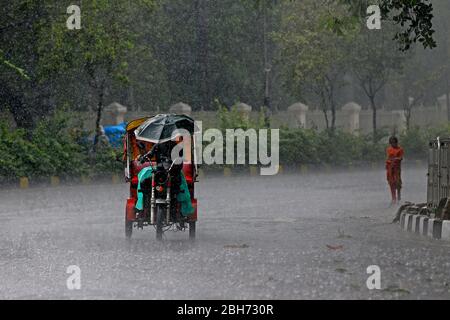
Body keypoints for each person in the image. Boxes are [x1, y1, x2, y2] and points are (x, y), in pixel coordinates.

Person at [386, 136, 404, 205]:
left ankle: (399, 197)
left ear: (396, 142)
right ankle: (393, 198)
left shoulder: (400, 149)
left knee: (398, 182)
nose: (393, 144)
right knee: (391, 183)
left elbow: (401, 157)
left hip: (397, 168)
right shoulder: (389, 149)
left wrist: (397, 159)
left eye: (394, 142)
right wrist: (389, 161)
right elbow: (388, 157)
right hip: (390, 168)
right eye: (391, 143)